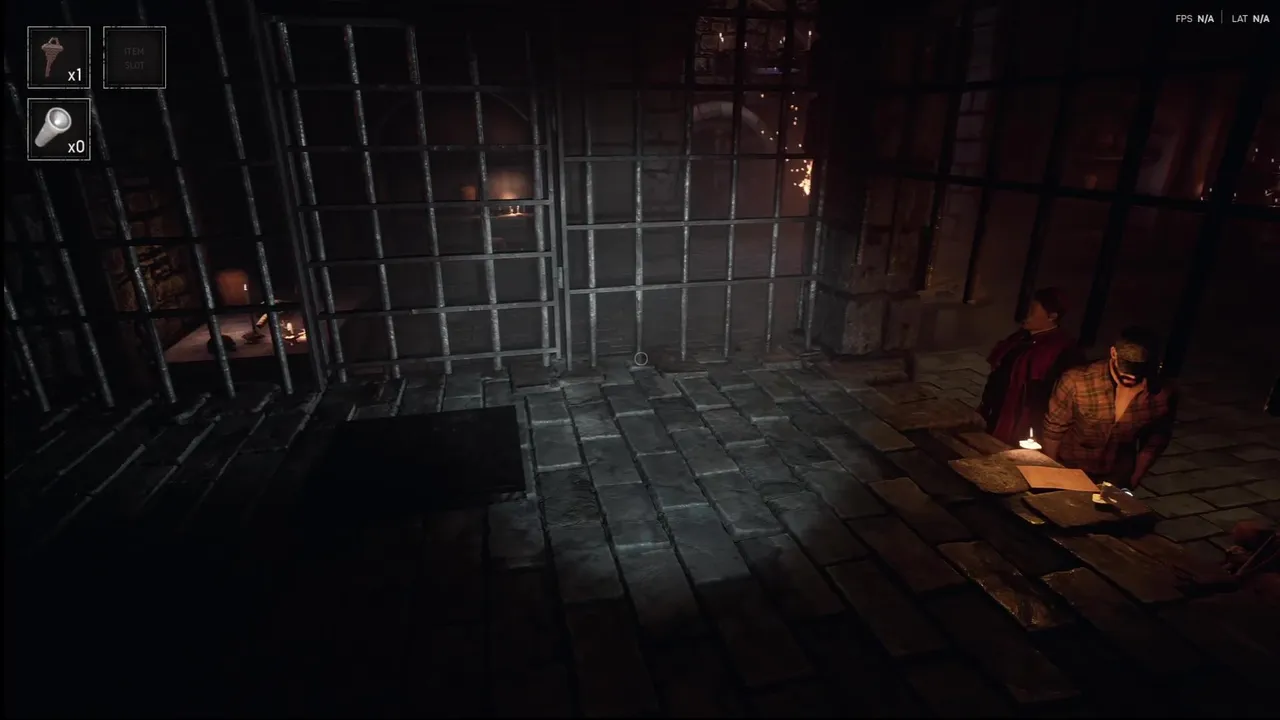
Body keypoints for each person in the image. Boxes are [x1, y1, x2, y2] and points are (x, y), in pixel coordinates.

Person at [1041, 326, 1178, 489]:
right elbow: (1053, 430)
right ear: (1113, 353)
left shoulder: (1161, 394)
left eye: (1139, 369)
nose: (1132, 376)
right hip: (1071, 469)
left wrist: (1134, 479)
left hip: (1116, 476)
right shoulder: (1077, 381)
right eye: (1126, 367)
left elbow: (1155, 442)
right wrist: (1052, 474)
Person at [978, 287, 1083, 446]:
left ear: (1052, 316)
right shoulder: (1019, 338)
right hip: (999, 411)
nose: (1025, 314)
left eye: (1032, 310)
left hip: (1025, 420)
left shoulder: (1062, 350)